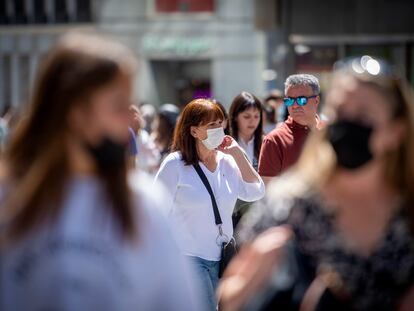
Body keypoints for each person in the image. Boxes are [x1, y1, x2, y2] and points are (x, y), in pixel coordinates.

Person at [0, 32, 200, 311]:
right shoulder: (8, 198)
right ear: (74, 111)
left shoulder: (143, 202)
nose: (131, 119)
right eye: (119, 106)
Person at [218, 57, 414, 311]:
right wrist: (254, 281)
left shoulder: (407, 210)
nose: (349, 124)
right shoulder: (289, 204)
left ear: (396, 131)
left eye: (363, 115)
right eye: (341, 113)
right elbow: (229, 296)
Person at [154, 98, 265, 311]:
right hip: (188, 257)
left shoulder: (228, 161)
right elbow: (157, 212)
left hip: (223, 256)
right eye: (211, 125)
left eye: (220, 123)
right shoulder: (175, 164)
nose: (218, 129)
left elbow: (256, 191)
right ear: (194, 131)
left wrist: (237, 153)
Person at [258, 74, 323, 185]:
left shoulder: (331, 132)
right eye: (290, 100)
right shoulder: (274, 140)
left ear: (316, 101)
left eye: (302, 100)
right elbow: (269, 190)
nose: (295, 105)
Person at [229, 92, 263, 170]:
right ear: (235, 117)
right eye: (247, 116)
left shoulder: (266, 143)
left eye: (256, 116)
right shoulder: (225, 143)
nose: (252, 121)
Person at [128, 104, 160, 174]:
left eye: (137, 115)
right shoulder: (125, 137)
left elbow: (155, 159)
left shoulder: (143, 135)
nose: (136, 118)